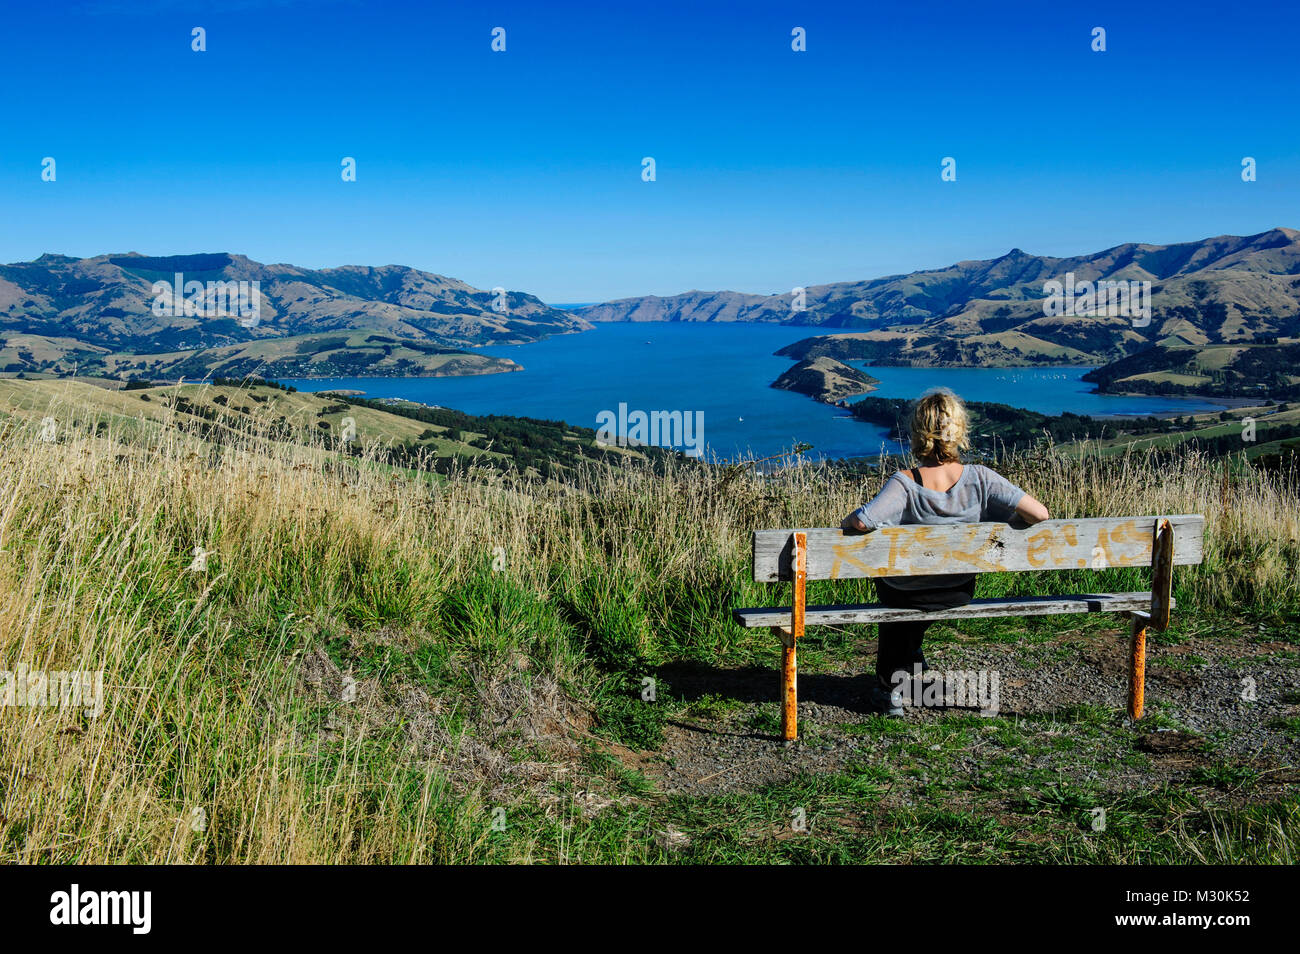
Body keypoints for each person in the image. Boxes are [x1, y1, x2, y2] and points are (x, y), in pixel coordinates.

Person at [841, 388, 1050, 715]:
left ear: (917, 433)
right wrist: (1001, 521)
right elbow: (1039, 514)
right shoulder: (982, 478)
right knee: (906, 591)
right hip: (957, 590)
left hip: (906, 593)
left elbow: (865, 522)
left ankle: (891, 687)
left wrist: (849, 518)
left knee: (890, 584)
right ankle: (911, 665)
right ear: (959, 431)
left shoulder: (905, 482)